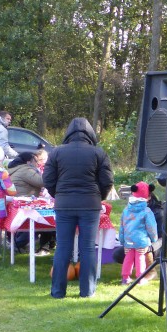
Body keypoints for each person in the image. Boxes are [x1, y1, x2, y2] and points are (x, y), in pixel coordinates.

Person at [43, 117, 113, 298]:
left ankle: (58, 292)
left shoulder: (56, 152)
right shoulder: (98, 153)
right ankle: (87, 291)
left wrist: (59, 195)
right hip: (90, 204)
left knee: (62, 247)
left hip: (64, 205)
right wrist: (98, 197)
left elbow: (48, 180)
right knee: (88, 248)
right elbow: (107, 181)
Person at [8, 149, 51, 254]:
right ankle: (21, 243)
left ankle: (18, 243)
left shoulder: (16, 168)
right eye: (36, 161)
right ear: (29, 161)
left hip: (16, 202)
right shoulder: (26, 170)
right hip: (25, 203)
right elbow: (42, 182)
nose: (37, 163)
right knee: (45, 219)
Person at [118, 182, 159, 285]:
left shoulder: (126, 210)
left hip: (128, 240)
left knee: (128, 258)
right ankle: (140, 278)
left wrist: (122, 241)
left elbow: (122, 227)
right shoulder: (147, 211)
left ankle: (125, 278)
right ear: (148, 196)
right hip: (141, 240)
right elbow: (151, 227)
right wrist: (153, 239)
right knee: (140, 258)